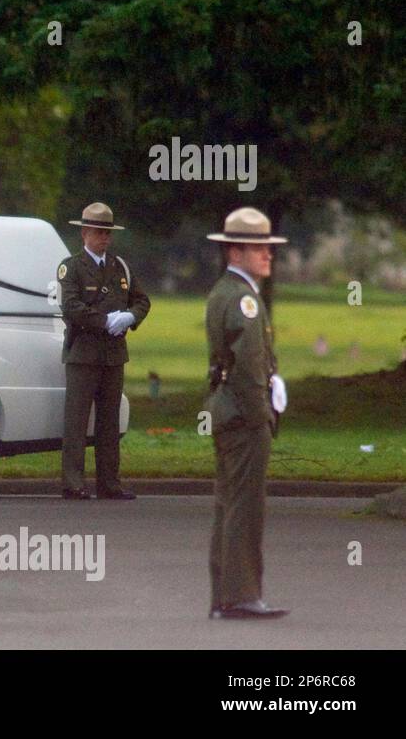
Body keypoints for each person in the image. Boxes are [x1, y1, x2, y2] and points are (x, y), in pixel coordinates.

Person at [205, 207, 289, 619]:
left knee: (229, 504)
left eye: (268, 248)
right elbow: (250, 366)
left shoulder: (226, 291)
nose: (268, 255)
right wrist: (262, 417)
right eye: (259, 249)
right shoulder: (243, 299)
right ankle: (241, 596)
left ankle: (226, 596)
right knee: (245, 507)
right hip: (244, 417)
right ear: (235, 252)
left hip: (226, 412)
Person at [56, 202, 151, 500]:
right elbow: (71, 308)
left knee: (109, 423)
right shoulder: (71, 267)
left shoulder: (119, 266)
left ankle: (109, 483)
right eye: (99, 232)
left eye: (108, 233)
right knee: (77, 421)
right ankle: (73, 483)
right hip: (83, 354)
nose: (104, 239)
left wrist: (131, 317)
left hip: (113, 355)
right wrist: (105, 321)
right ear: (85, 233)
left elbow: (142, 300)